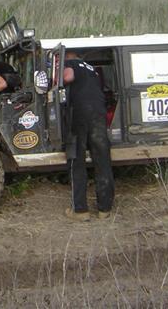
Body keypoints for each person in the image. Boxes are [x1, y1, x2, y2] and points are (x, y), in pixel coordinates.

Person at [63, 51, 114, 221]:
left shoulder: (71, 64)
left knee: (76, 159)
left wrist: (56, 78)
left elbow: (68, 77)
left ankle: (80, 210)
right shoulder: (92, 69)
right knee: (102, 159)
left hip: (80, 113)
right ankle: (104, 209)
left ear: (68, 56)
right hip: (98, 112)